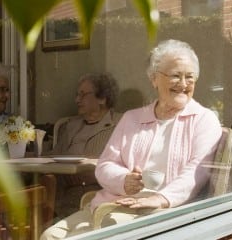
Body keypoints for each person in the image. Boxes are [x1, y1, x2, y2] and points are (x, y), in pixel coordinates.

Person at [40, 39, 222, 239]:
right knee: (50, 235)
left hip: (162, 214)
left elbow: (197, 172)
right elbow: (105, 164)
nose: (184, 84)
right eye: (175, 76)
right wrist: (123, 180)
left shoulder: (204, 120)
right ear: (154, 78)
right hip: (113, 204)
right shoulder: (132, 118)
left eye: (190, 77)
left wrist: (161, 198)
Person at [51, 73, 123, 219]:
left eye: (83, 95)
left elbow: (125, 167)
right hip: (62, 197)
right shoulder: (70, 126)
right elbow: (52, 160)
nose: (77, 100)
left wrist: (90, 176)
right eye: (77, 95)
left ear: (102, 98)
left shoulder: (120, 124)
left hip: (97, 198)